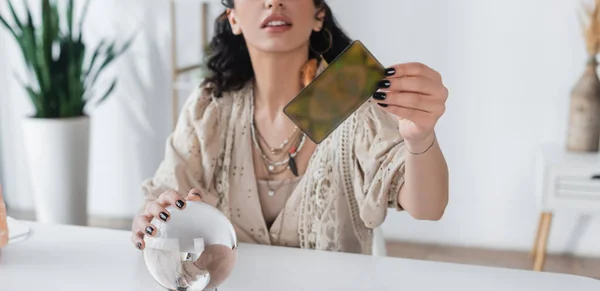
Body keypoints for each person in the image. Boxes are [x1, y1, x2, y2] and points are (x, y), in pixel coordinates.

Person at [132, 0, 449, 255]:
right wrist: (151, 217)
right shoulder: (210, 107)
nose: (274, 3)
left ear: (318, 14)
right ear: (234, 18)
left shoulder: (350, 100)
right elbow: (163, 196)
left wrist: (419, 138)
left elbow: (428, 207)